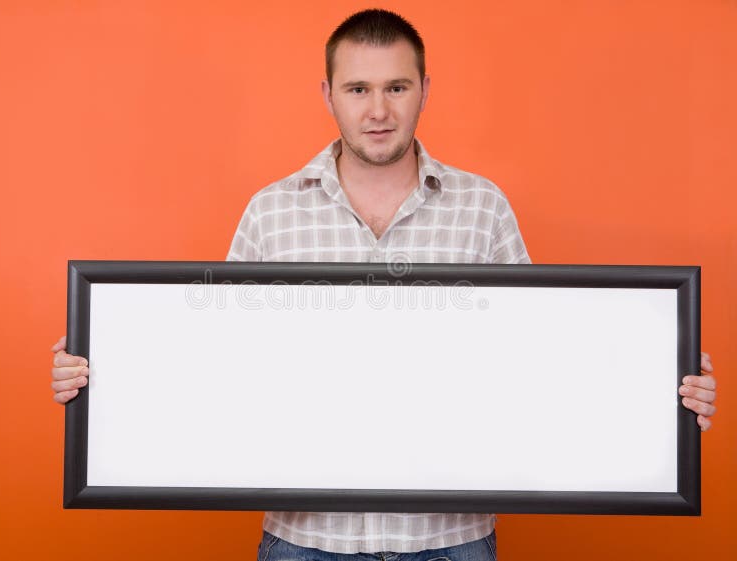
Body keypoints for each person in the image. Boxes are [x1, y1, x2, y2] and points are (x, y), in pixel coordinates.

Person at [50, 9, 718, 561]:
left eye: (397, 88)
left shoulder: (482, 207)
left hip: (449, 539)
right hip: (305, 540)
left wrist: (663, 382)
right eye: (357, 88)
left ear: (426, 89)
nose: (377, 110)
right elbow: (220, 363)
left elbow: (540, 361)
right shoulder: (270, 211)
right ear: (327, 93)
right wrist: (100, 369)